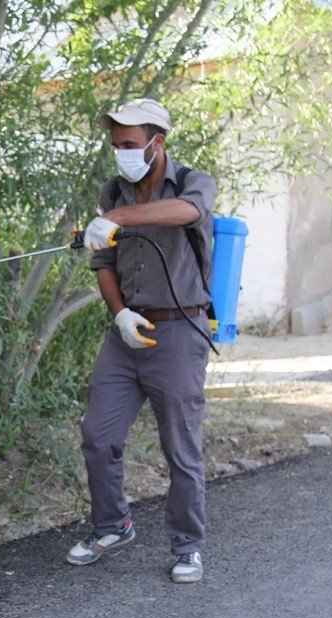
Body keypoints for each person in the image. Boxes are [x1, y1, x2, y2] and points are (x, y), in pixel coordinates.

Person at [65, 98, 218, 583]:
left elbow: (187, 212)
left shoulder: (194, 181)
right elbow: (104, 264)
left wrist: (121, 220)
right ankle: (113, 525)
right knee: (98, 434)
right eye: (115, 146)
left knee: (180, 446)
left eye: (129, 145)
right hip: (128, 331)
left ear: (158, 142)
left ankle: (188, 546)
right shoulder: (114, 190)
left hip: (178, 329)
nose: (121, 154)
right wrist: (120, 313)